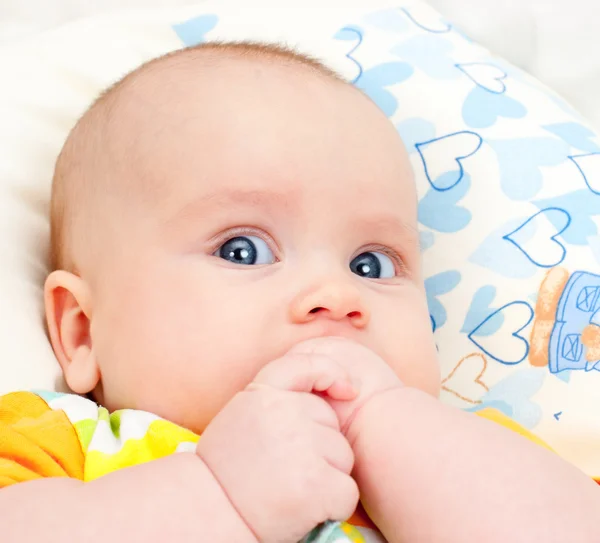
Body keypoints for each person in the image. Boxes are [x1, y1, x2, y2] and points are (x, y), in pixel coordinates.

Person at [1, 42, 599, 543]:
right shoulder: (62, 445)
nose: (335, 296)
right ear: (83, 332)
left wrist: (404, 439)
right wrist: (218, 495)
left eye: (372, 264)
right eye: (243, 250)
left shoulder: (474, 449)